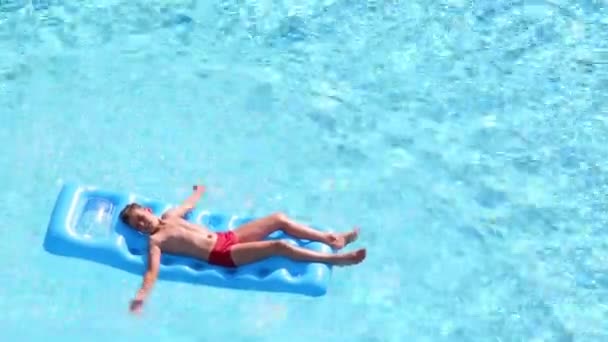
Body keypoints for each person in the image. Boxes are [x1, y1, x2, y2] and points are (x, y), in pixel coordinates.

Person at [119, 184, 366, 314]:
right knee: (279, 246)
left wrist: (198, 192)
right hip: (222, 254)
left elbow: (189, 205)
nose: (142, 224)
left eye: (141, 217)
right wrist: (142, 295)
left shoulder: (171, 214)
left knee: (278, 218)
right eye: (137, 225)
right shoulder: (156, 242)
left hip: (227, 236)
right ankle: (334, 260)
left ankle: (332, 239)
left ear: (148, 211)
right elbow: (152, 272)